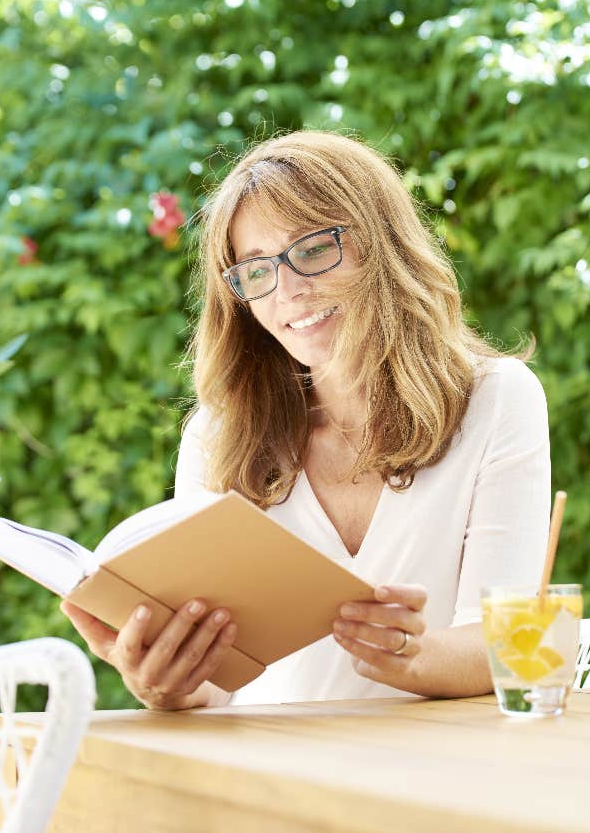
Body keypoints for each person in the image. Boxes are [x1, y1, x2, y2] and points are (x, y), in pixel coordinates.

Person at [61, 130, 550, 710]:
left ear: (383, 245)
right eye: (257, 269)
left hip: (440, 773)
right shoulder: (218, 437)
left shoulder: (495, 400)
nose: (288, 290)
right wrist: (163, 683)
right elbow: (215, 688)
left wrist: (411, 659)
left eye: (314, 248)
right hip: (271, 776)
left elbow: (508, 644)